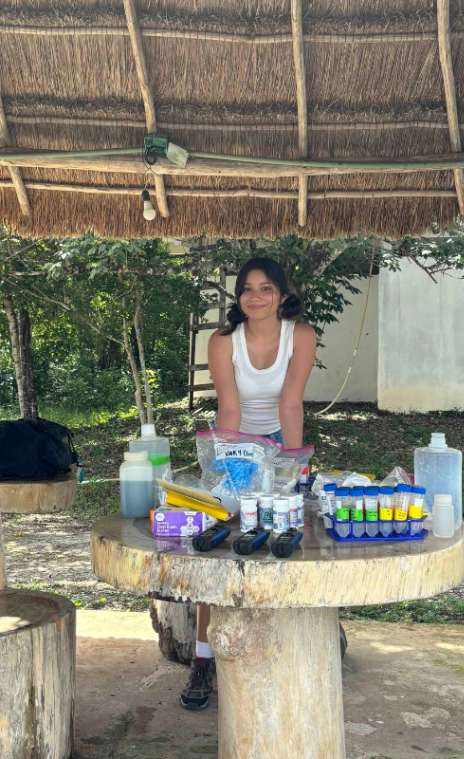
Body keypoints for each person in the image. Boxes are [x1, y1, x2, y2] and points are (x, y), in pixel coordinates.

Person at [179, 257, 316, 710]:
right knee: (218, 541)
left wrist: (290, 471)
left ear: (282, 293)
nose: (255, 296)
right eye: (247, 289)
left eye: (266, 288)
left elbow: (291, 404)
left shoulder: (301, 335)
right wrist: (226, 470)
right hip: (235, 440)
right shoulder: (222, 341)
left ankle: (314, 630)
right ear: (238, 297)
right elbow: (230, 408)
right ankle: (203, 656)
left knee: (290, 530)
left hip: (282, 437)